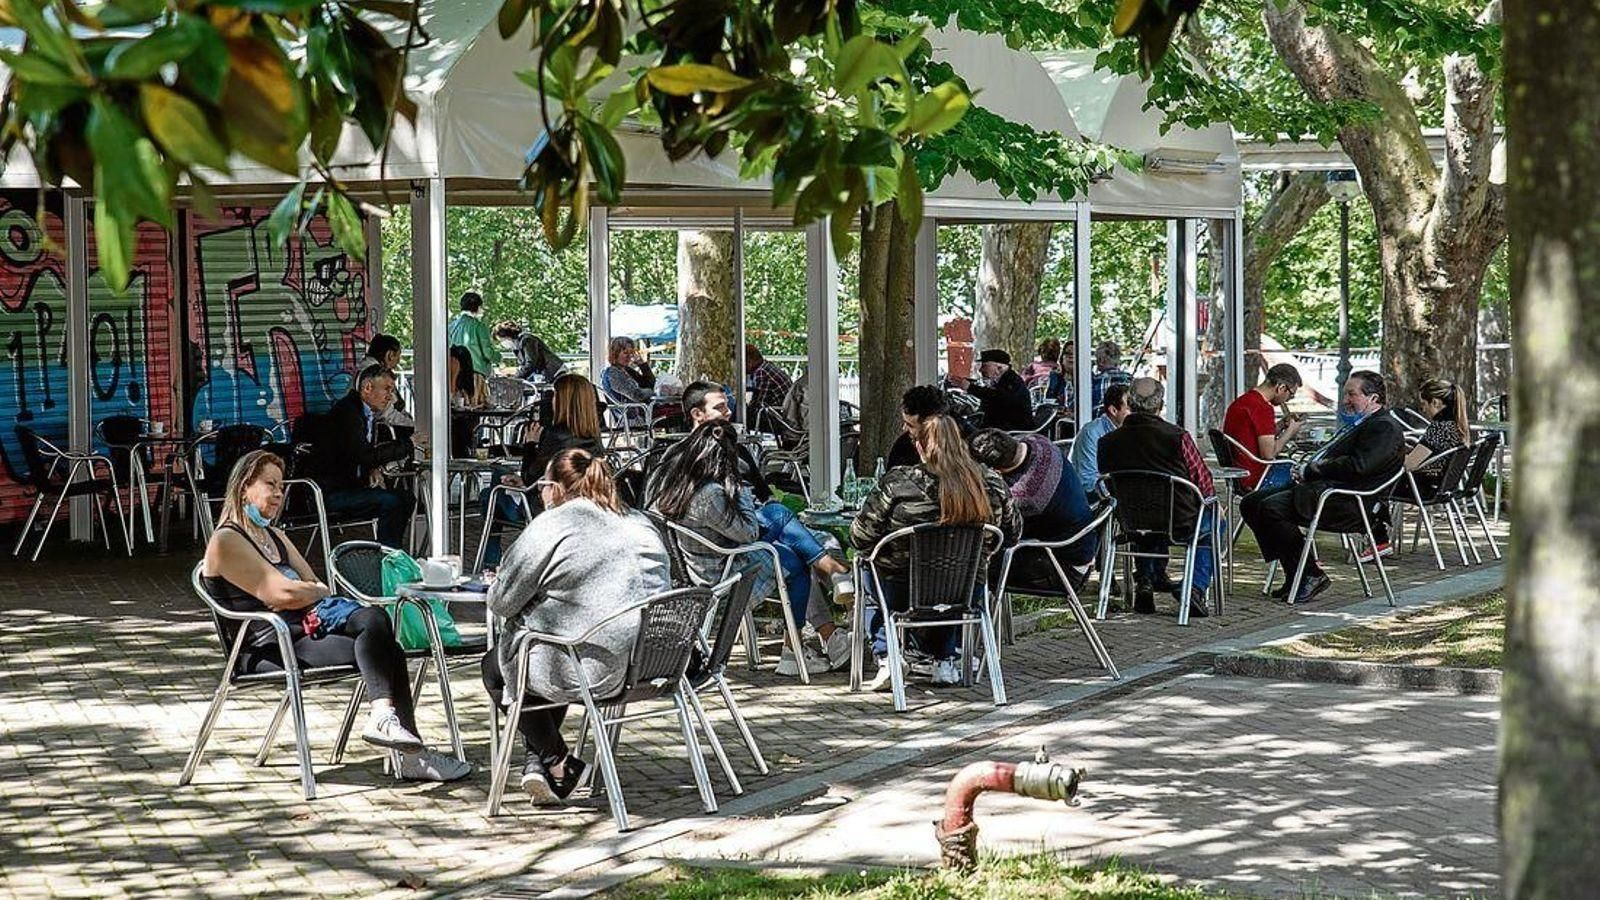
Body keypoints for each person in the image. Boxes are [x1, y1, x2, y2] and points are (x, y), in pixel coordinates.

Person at [202, 450, 469, 782]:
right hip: (267, 649)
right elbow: (281, 594)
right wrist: (299, 592)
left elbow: (319, 586)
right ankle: (408, 752)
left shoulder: (274, 536)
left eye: (282, 487)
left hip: (304, 632)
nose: (279, 494)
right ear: (244, 487)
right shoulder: (227, 540)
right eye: (270, 485)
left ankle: (386, 721)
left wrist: (301, 592)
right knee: (382, 641)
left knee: (377, 627)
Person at [483, 448, 670, 803]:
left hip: (596, 666)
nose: (540, 492)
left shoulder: (553, 525)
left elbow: (502, 601)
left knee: (499, 667)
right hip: (656, 661)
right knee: (545, 647)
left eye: (542, 484)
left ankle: (557, 760)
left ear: (556, 489)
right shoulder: (639, 521)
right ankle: (542, 767)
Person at [651, 422, 854, 674]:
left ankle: (795, 650)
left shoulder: (678, 487)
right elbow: (748, 533)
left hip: (705, 562)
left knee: (791, 554)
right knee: (779, 517)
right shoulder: (710, 494)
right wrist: (740, 489)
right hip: (721, 574)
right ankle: (833, 577)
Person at [852, 415, 1019, 690]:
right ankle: (944, 659)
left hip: (902, 591)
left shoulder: (897, 483)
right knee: (949, 576)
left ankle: (887, 656)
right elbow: (1012, 534)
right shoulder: (992, 483)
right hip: (967, 592)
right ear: (962, 443)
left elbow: (860, 536)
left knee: (864, 566)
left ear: (919, 446)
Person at [1240, 371, 1406, 602]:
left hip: (1350, 501)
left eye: (1352, 394)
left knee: (1272, 508)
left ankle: (1309, 573)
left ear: (1373, 398)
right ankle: (1295, 572)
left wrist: (1312, 470)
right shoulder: (1362, 423)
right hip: (1327, 491)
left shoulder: (1384, 428)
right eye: (1345, 394)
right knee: (1251, 503)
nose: (1345, 400)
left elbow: (1358, 466)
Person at [1097, 377, 1217, 619]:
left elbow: (1107, 482)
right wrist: (1212, 501)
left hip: (1130, 521)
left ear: (1130, 403)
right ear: (1160, 405)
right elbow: (1202, 480)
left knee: (1146, 517)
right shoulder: (1177, 437)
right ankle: (1193, 587)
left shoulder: (1107, 442)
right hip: (1179, 521)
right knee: (1214, 523)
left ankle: (1145, 579)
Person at [479, 374, 607, 568]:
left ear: (563, 401)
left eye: (555, 396)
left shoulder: (555, 436)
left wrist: (530, 443)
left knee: (489, 494)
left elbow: (529, 476)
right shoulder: (594, 438)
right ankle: (490, 561)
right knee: (500, 481)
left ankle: (490, 561)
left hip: (544, 506)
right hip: (584, 502)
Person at [970, 428, 1098, 593]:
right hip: (1081, 547)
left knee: (971, 565)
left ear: (995, 472)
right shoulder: (1040, 442)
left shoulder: (1026, 496)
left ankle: (976, 609)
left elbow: (1007, 536)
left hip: (1062, 568)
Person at [308, 366, 417, 548]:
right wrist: (408, 444)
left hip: (350, 487)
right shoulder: (347, 413)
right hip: (330, 492)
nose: (390, 396)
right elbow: (363, 454)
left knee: (406, 498)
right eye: (387, 389)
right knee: (393, 501)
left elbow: (358, 454)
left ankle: (391, 551)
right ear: (367, 388)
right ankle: (388, 554)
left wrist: (372, 468)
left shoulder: (365, 413)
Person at [1222, 363, 1306, 491]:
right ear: (1281, 388)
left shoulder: (1242, 402)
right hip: (1256, 477)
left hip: (1238, 473)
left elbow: (1253, 437)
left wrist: (1281, 425)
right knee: (1302, 475)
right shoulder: (1263, 408)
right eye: (1291, 394)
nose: (1288, 400)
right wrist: (1290, 431)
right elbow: (1269, 454)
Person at [1404, 377, 1473, 495]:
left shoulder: (1439, 428)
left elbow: (1409, 465)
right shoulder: (1455, 426)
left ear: (1435, 402)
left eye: (1424, 404)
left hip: (1423, 487)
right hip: (1443, 486)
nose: (1423, 410)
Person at [886, 385, 978, 469]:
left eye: (911, 425)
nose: (904, 428)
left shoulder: (974, 445)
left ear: (930, 425)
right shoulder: (903, 447)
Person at [1069, 383, 1132, 495]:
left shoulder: (1131, 430)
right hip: (1094, 499)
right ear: (1113, 410)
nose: (1136, 412)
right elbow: (1088, 482)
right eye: (1130, 407)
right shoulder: (1091, 433)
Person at [950, 349, 1034, 432]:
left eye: (984, 366)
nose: (980, 370)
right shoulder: (1003, 381)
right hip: (998, 428)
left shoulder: (1013, 382)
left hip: (1010, 431)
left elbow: (998, 398)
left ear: (999, 368)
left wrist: (970, 387)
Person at [447, 291, 499, 377]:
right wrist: (499, 358)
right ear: (477, 307)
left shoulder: (451, 327)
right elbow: (488, 353)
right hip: (475, 373)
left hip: (455, 374)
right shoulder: (479, 327)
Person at [493, 321, 564, 382]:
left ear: (507, 336)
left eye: (502, 340)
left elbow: (530, 363)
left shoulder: (527, 340)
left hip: (554, 372)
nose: (502, 343)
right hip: (547, 373)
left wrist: (516, 377)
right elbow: (524, 366)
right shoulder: (517, 346)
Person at [599, 336, 657, 404]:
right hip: (630, 410)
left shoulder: (627, 370)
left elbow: (650, 384)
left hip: (643, 408)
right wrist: (653, 392)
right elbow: (636, 395)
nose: (629, 356)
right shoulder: (613, 373)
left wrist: (642, 365)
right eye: (625, 353)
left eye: (631, 352)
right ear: (615, 354)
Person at [1090, 341, 1133, 412]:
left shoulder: (1095, 382)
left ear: (1101, 360)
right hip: (1126, 418)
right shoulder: (1130, 379)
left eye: (1096, 359)